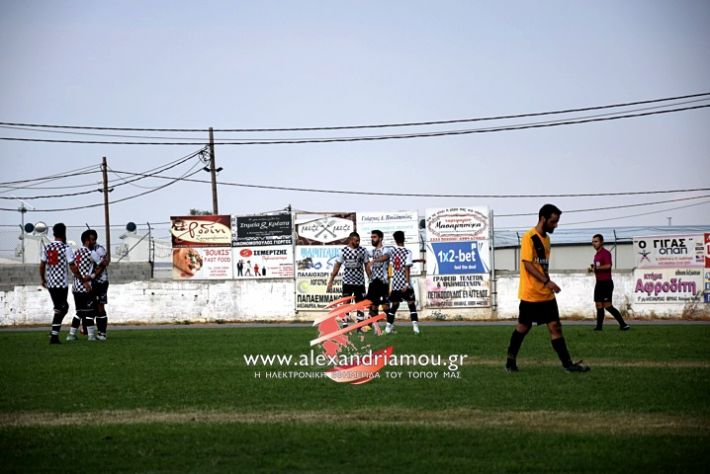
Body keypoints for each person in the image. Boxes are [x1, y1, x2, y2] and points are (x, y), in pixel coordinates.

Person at [505, 204, 590, 373]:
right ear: (543, 219)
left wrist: (548, 284)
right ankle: (510, 362)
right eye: (553, 222)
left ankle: (568, 365)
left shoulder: (547, 239)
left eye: (557, 222)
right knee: (523, 327)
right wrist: (547, 282)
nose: (555, 225)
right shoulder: (529, 237)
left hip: (546, 295)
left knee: (555, 326)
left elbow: (541, 266)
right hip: (531, 294)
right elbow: (528, 265)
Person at [39, 223, 87, 344]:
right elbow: (73, 266)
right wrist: (82, 279)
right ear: (64, 233)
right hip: (61, 283)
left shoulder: (47, 247)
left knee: (60, 307)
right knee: (62, 307)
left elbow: (42, 265)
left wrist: (43, 279)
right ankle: (54, 335)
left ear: (54, 233)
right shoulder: (66, 248)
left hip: (51, 282)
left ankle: (54, 332)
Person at [326, 232, 371, 327]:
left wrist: (371, 278)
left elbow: (367, 265)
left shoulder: (363, 251)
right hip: (347, 282)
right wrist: (331, 281)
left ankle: (360, 325)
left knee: (360, 304)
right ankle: (345, 323)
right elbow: (337, 266)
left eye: (359, 240)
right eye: (356, 240)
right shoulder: (343, 251)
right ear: (350, 240)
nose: (358, 242)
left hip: (360, 282)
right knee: (346, 303)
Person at [590, 234, 630, 331]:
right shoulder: (596, 255)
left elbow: (608, 266)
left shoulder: (606, 253)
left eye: (596, 241)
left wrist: (597, 268)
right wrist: (593, 268)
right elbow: (598, 267)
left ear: (602, 242)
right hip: (599, 283)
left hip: (606, 283)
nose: (594, 244)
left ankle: (623, 324)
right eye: (593, 242)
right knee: (598, 305)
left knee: (607, 306)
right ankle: (599, 327)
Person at [67, 230, 100, 342]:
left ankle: (71, 334)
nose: (94, 242)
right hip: (86, 287)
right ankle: (91, 335)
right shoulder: (92, 253)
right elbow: (101, 265)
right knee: (90, 311)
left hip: (76, 287)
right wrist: (92, 276)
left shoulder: (76, 253)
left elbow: (74, 268)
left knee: (80, 312)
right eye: (92, 239)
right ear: (87, 241)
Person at [386, 231, 420, 334]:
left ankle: (388, 327)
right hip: (405, 282)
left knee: (394, 306)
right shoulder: (407, 252)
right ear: (404, 238)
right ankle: (415, 328)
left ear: (395, 240)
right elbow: (406, 268)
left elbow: (394, 265)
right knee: (411, 304)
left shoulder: (392, 252)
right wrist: (406, 284)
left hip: (396, 283)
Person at [366, 230, 393, 324]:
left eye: (374, 237)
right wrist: (369, 275)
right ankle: (370, 326)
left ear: (380, 238)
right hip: (373, 282)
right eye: (371, 237)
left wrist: (374, 261)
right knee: (373, 305)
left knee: (385, 306)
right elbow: (365, 259)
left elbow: (385, 257)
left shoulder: (386, 249)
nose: (372, 239)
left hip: (383, 281)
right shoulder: (372, 251)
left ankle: (390, 326)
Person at [88, 229, 110, 341]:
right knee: (93, 307)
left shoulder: (99, 249)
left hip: (101, 281)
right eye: (88, 239)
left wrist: (93, 275)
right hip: (91, 282)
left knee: (100, 306)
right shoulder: (86, 250)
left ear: (95, 239)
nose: (90, 241)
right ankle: (92, 331)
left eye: (91, 239)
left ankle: (102, 333)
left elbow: (104, 263)